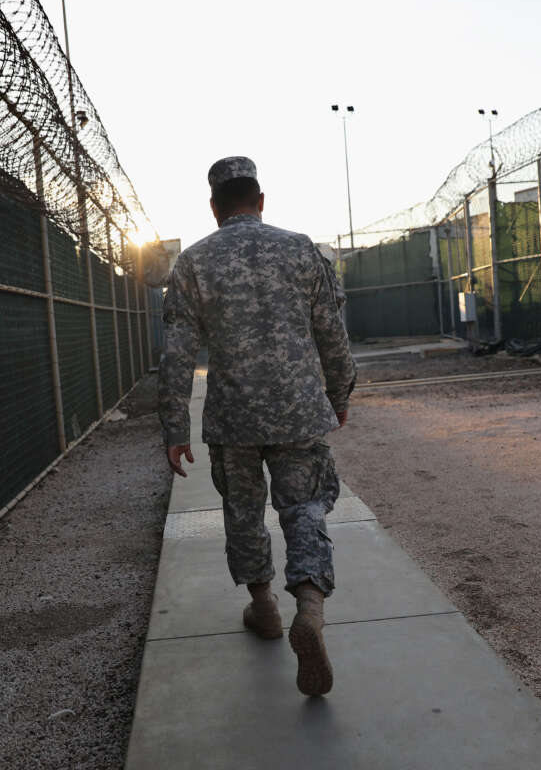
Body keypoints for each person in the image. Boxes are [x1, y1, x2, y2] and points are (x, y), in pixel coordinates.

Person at [158, 156, 356, 697]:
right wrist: (338, 395)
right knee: (305, 507)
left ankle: (265, 607)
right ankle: (310, 607)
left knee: (243, 512)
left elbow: (176, 356)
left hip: (234, 416)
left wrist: (175, 426)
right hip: (298, 410)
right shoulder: (300, 250)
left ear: (214, 208)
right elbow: (332, 335)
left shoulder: (193, 263)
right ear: (261, 201)